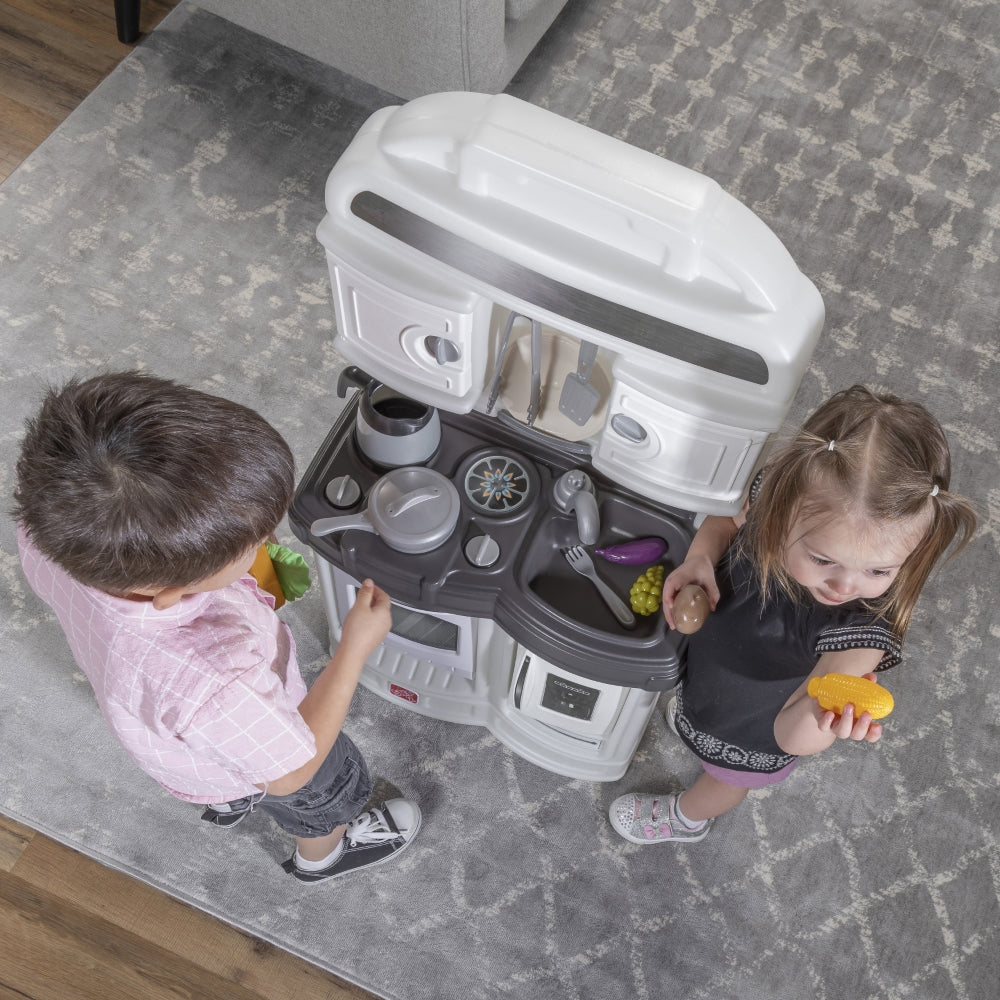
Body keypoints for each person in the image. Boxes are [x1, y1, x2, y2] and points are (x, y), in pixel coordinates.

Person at [12, 371, 420, 883]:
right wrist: (353, 651)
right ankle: (322, 856)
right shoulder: (215, 683)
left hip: (180, 734)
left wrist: (245, 571)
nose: (268, 539)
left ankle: (229, 797)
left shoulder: (45, 530)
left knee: (232, 758)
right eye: (252, 542)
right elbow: (296, 770)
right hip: (269, 752)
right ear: (170, 591)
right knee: (319, 797)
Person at [609, 385, 977, 844]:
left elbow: (790, 736)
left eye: (879, 570)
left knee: (724, 781)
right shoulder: (776, 494)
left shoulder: (861, 633)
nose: (844, 586)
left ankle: (686, 818)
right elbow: (726, 523)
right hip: (712, 666)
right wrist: (701, 558)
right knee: (696, 708)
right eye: (823, 560)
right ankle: (693, 718)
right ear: (783, 510)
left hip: (754, 727)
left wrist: (822, 718)